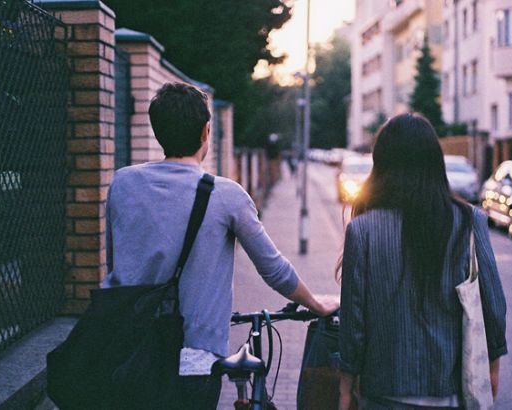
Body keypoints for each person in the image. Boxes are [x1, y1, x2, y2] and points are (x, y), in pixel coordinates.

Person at [102, 82, 338, 409]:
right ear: (206, 131)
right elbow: (274, 270)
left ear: (157, 132)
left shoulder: (122, 184)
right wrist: (316, 303)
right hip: (194, 359)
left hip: (125, 351)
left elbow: (115, 265)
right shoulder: (226, 195)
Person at [337, 113, 507, 410]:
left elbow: (354, 320)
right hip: (450, 388)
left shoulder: (362, 230)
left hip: (383, 391)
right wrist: (492, 366)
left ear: (382, 164)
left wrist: (345, 386)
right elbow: (492, 304)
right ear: (434, 162)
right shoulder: (470, 223)